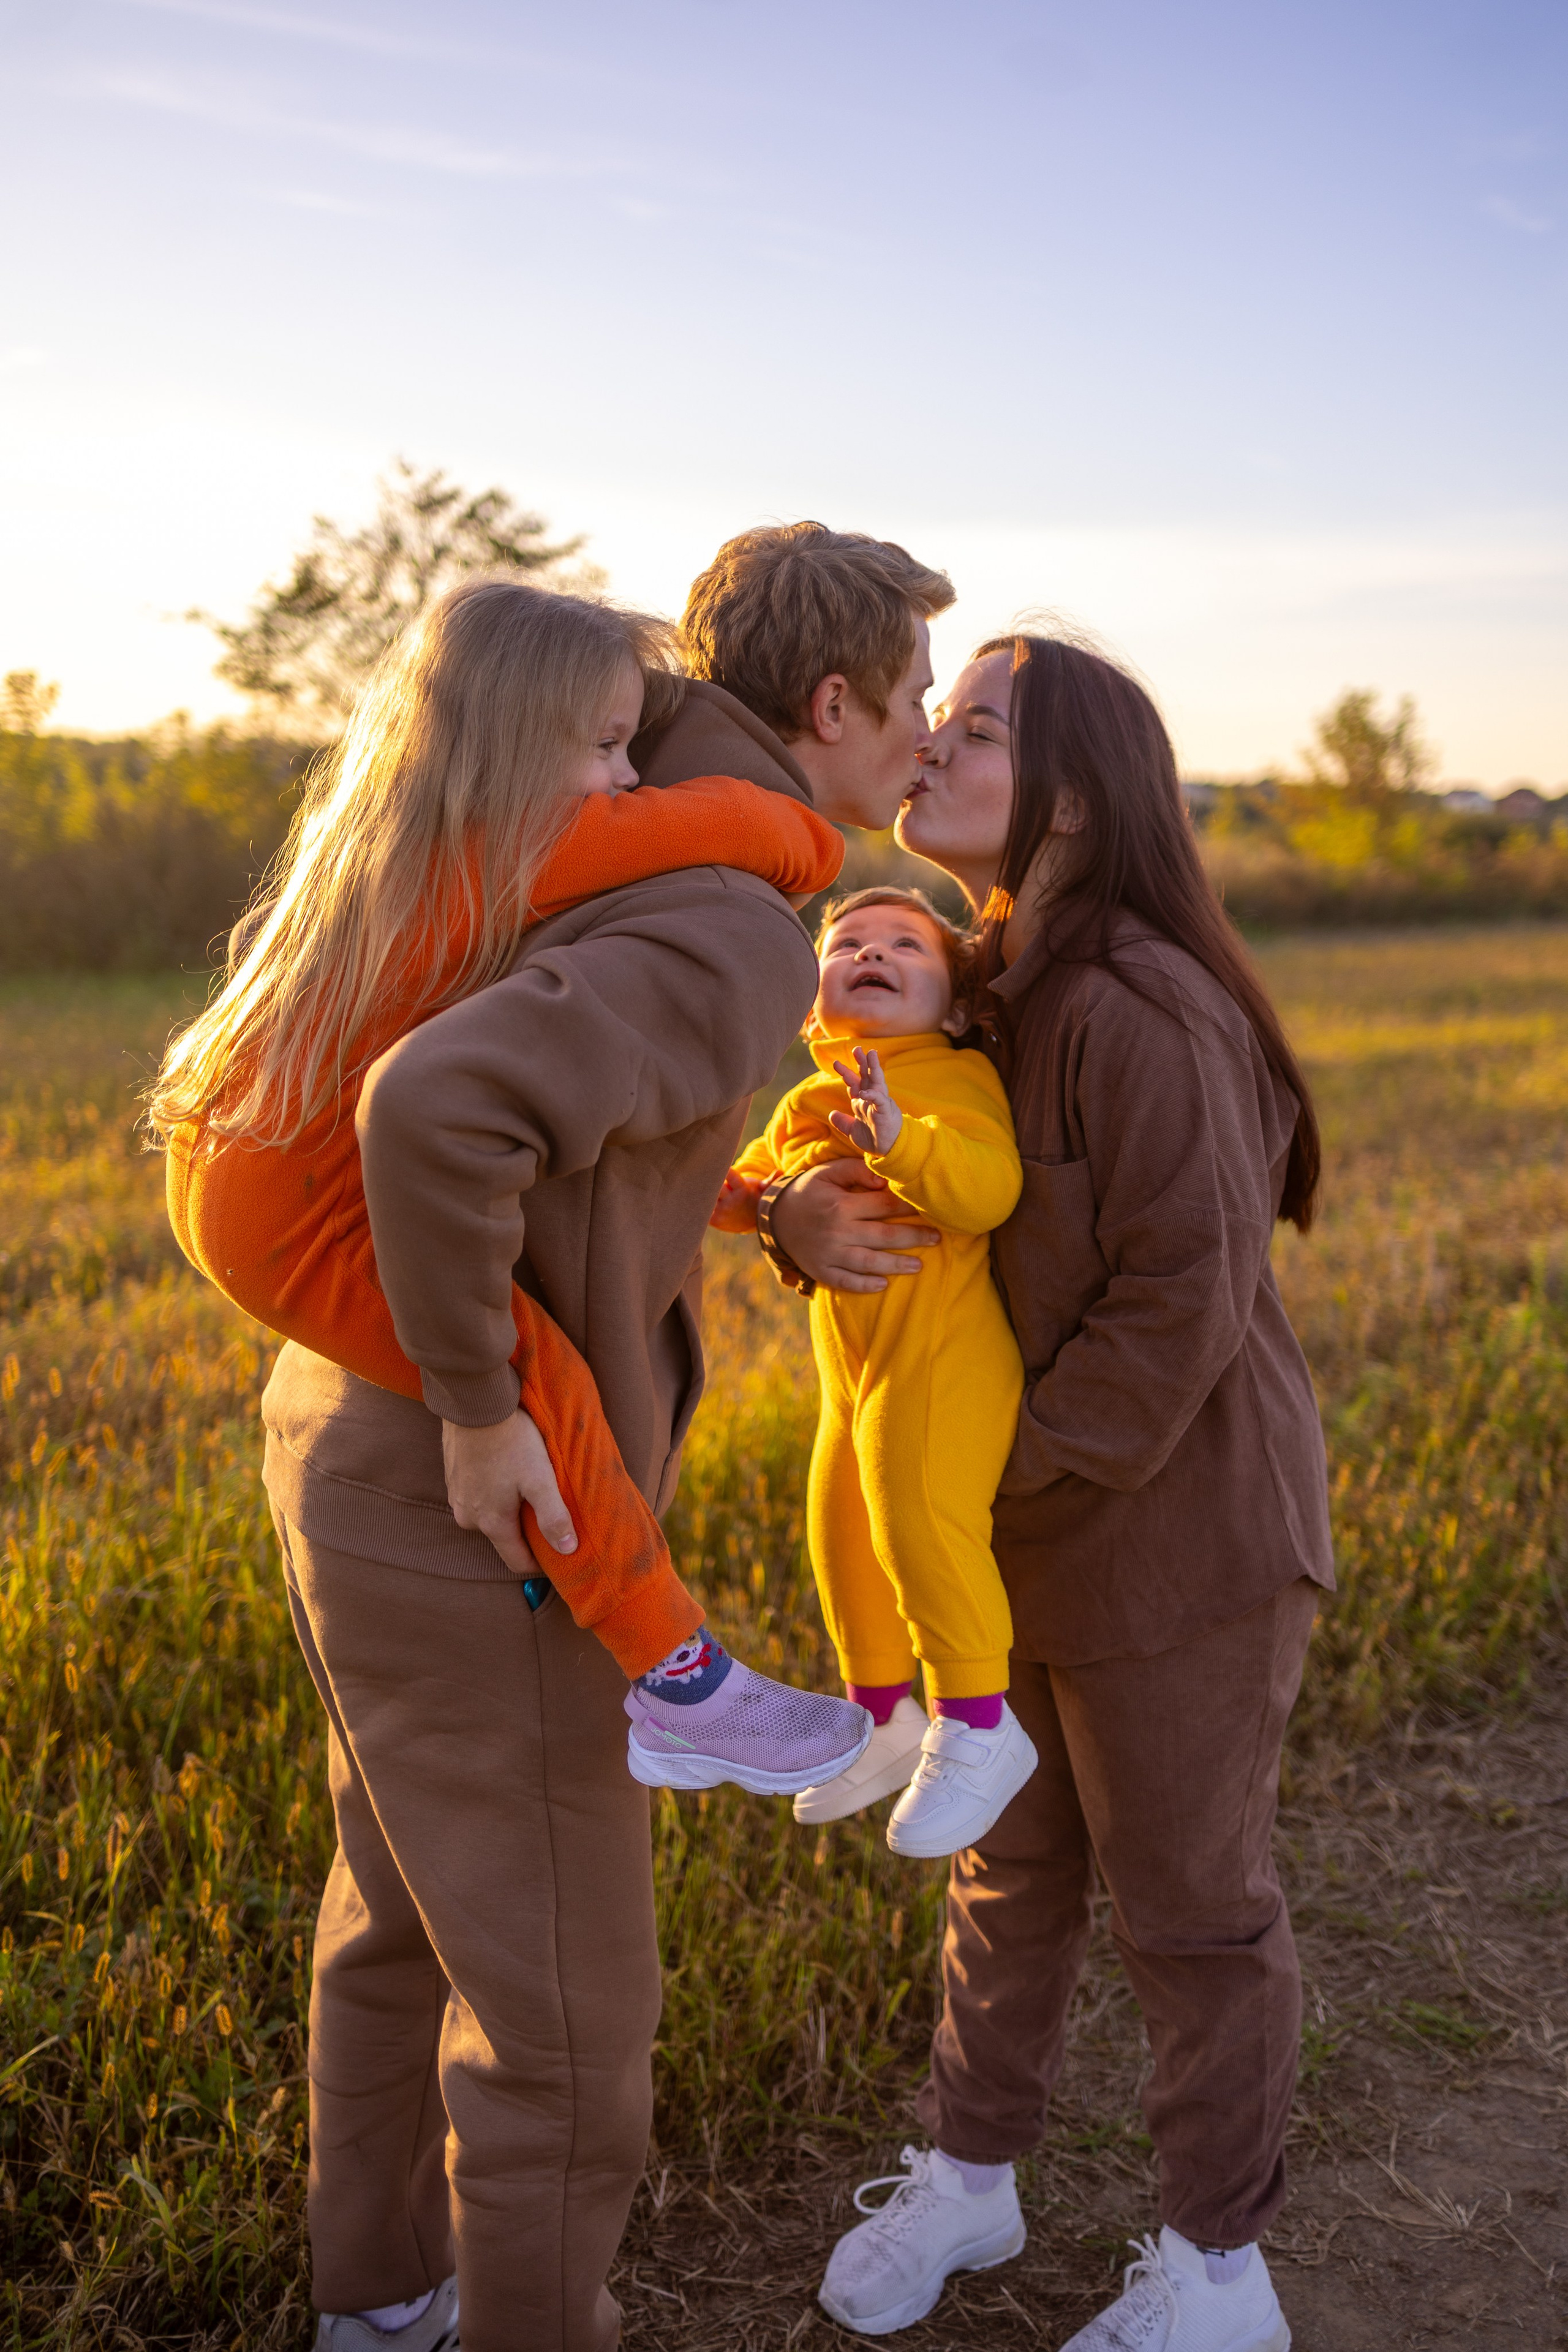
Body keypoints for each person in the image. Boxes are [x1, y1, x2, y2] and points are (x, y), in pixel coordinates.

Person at [155, 524, 953, 2352]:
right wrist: (481, 1400)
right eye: (912, 703)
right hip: (473, 1495)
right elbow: (442, 1103)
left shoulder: (579, 819)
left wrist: (758, 1216)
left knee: (406, 1921)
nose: (922, 740)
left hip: (343, 1433)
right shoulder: (734, 919)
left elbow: (581, 1141)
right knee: (569, 2024)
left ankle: (385, 2304)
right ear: (830, 708)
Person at [762, 635, 1333, 2348]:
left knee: (1193, 1916)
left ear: (1073, 796)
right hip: (1016, 1547)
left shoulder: (1138, 998)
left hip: (1180, 1544)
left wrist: (976, 1475)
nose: (928, 743)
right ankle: (972, 2177)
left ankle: (1221, 2278)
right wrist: (795, 1218)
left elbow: (1184, 1294)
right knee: (1006, 1878)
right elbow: (875, 1166)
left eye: (979, 726)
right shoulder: (979, 976)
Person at [159, 609, 869, 1795]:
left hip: (242, 1174)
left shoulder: (411, 838)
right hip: (287, 1218)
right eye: (602, 748)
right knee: (538, 1382)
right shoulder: (511, 846)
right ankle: (674, 1677)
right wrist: (808, 841)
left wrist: (744, 1199)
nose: (627, 778)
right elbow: (748, 829)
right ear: (509, 744)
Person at [714, 885, 1035, 1854]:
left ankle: (981, 1724)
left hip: (941, 1354)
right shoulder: (808, 1098)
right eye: (847, 942)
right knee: (842, 1526)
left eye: (907, 944)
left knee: (916, 1518)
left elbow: (991, 1189)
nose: (873, 951)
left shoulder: (947, 1074)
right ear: (812, 1006)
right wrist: (725, 1189)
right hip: (851, 1371)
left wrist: (899, 1140)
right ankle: (881, 1714)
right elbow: (751, 1190)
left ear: (949, 1005)